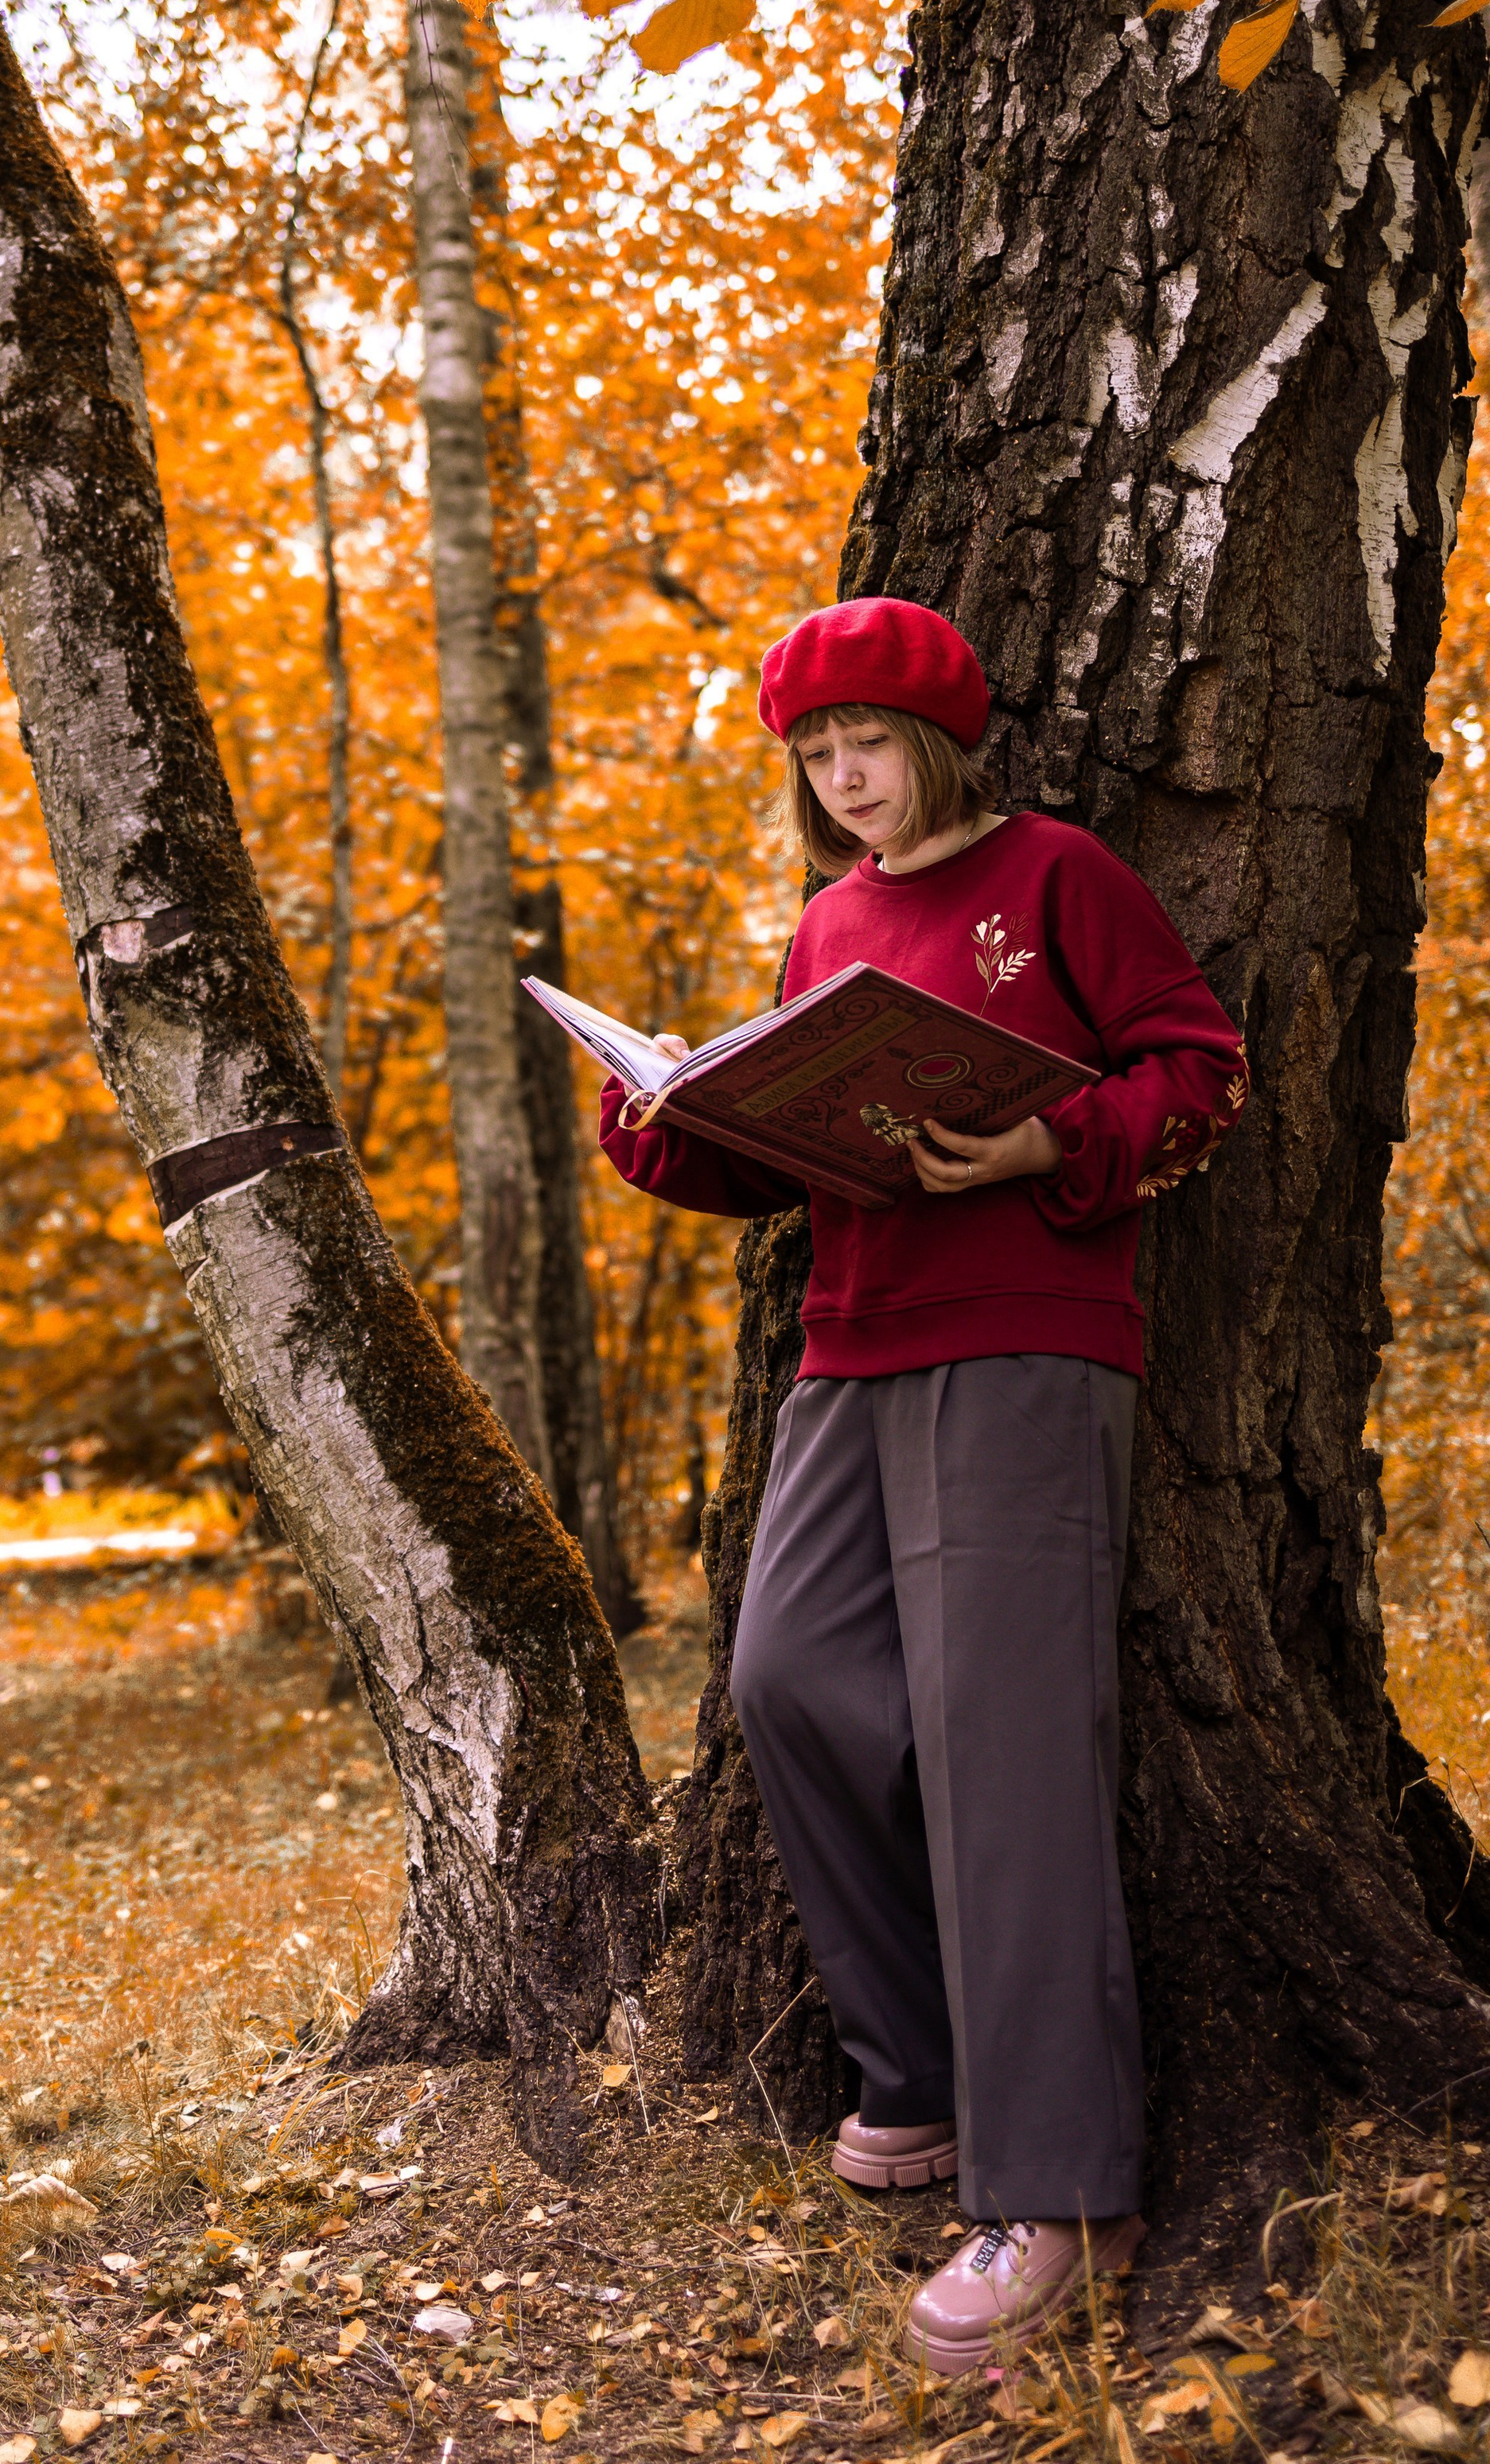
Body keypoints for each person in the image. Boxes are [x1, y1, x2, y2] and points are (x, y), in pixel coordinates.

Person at [597, 596, 1248, 2373]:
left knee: (999, 1744)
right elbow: (811, 1151)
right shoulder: (826, 921)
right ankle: (927, 2074)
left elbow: (1199, 1071)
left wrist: (1053, 1137)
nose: (840, 775)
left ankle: (1061, 2188)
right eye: (812, 755)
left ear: (935, 739)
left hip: (1027, 1341)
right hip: (849, 1344)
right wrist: (667, 1123)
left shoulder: (1054, 877)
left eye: (863, 742)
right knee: (784, 1681)